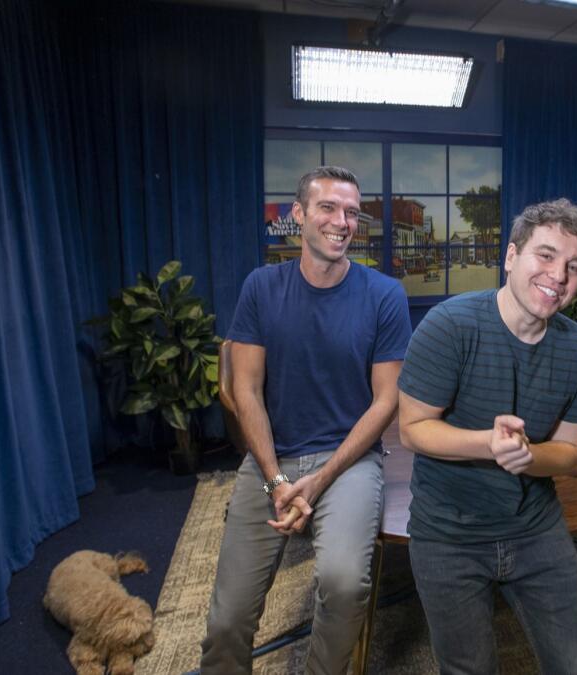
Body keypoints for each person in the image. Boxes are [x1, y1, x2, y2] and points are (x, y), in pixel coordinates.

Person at [201, 166, 412, 675]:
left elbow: (386, 402)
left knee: (343, 584)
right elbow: (245, 390)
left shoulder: (385, 295)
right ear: (298, 215)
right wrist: (275, 478)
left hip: (349, 461)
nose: (342, 222)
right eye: (328, 208)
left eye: (352, 212)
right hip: (272, 457)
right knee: (228, 619)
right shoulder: (261, 288)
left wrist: (320, 479)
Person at [397, 198, 577, 674]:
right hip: (449, 534)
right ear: (510, 257)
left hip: (536, 527)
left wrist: (527, 457)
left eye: (574, 266)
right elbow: (412, 429)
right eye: (545, 256)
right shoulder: (450, 325)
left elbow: (570, 455)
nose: (559, 275)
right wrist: (487, 444)